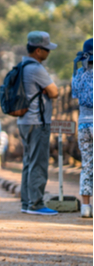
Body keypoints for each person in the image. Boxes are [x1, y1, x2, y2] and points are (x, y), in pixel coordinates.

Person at [18, 31, 59, 216]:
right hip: (37, 121)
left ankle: (26, 202)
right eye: (46, 49)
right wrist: (47, 90)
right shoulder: (36, 68)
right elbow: (54, 92)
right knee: (39, 163)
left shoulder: (21, 65)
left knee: (28, 161)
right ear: (38, 51)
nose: (48, 53)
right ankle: (36, 204)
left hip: (25, 121)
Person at [72, 38, 93, 218]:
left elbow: (75, 94)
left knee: (87, 165)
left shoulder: (79, 73)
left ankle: (86, 207)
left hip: (83, 124)